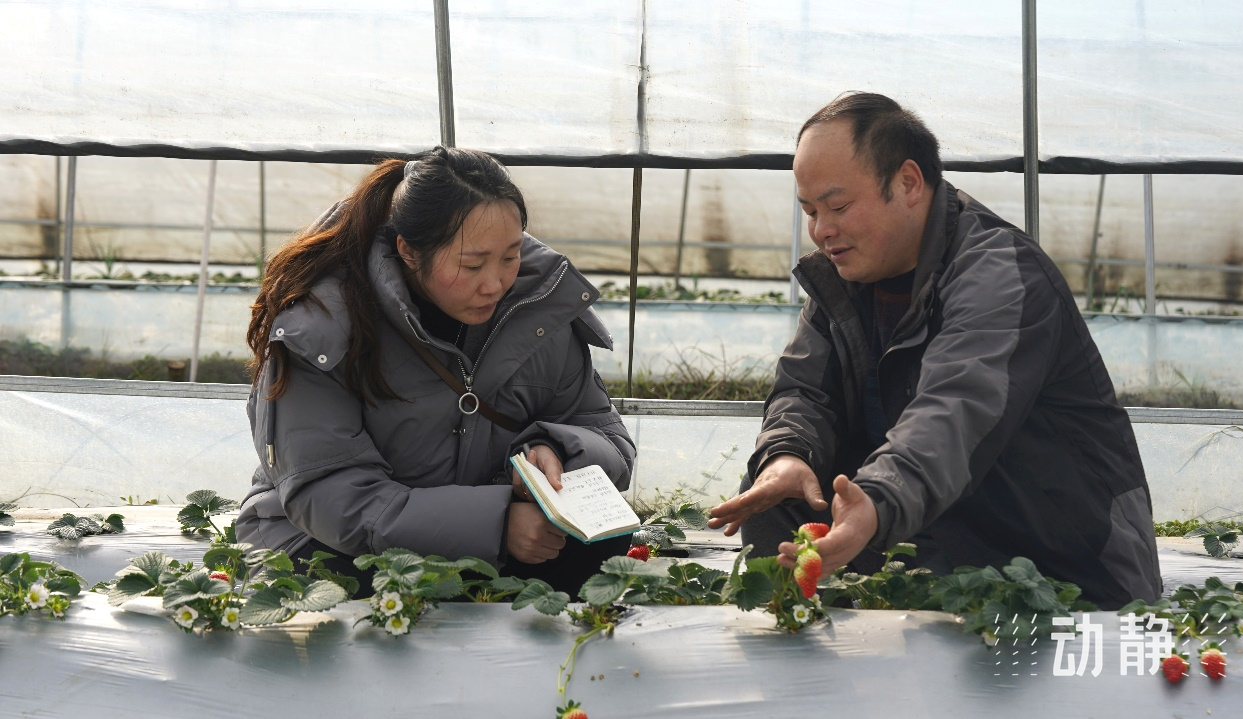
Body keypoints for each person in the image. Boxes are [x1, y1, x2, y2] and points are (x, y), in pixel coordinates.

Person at [708, 93, 1162, 608]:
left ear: (908, 183)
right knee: (781, 486)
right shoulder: (846, 275)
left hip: (1057, 556)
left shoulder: (999, 273)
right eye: (810, 211)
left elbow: (952, 414)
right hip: (935, 528)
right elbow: (805, 391)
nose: (821, 230)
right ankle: (806, 622)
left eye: (838, 207)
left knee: (901, 493)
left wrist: (877, 501)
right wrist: (786, 454)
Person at [235, 148, 636, 598]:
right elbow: (330, 497)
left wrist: (554, 449)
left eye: (510, 256)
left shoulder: (540, 309)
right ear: (409, 251)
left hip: (489, 540)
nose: (495, 284)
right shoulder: (324, 328)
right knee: (379, 596)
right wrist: (497, 524)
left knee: (603, 548)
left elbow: (607, 436)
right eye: (472, 265)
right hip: (332, 542)